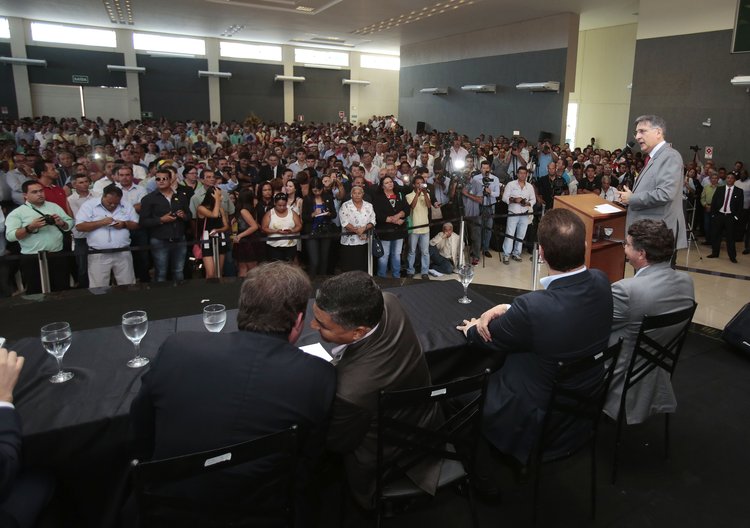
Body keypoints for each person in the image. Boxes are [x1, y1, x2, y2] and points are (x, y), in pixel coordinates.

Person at [131, 262, 336, 525]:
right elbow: (311, 459)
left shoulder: (177, 348)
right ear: (298, 321)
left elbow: (141, 430)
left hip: (169, 510)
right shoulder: (318, 376)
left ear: (242, 309)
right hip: (264, 513)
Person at [457, 209, 613, 462]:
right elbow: (559, 314)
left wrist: (472, 328)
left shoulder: (533, 308)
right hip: (583, 405)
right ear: (585, 246)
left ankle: (477, 471)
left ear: (541, 253)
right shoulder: (602, 281)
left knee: (457, 392)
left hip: (535, 414)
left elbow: (487, 337)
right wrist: (507, 308)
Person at [311, 271, 441, 509]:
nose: (312, 325)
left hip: (389, 460)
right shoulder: (389, 302)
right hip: (427, 421)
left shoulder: (350, 392)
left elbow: (337, 444)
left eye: (322, 325)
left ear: (358, 332)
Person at [603, 219, 695, 424]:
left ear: (641, 253)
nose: (624, 248)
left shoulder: (626, 290)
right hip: (656, 363)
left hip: (620, 369)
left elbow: (598, 326)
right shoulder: (686, 282)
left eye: (627, 244)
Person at [618, 115, 687, 252]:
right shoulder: (653, 157)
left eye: (642, 131)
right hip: (647, 234)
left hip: (658, 236)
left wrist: (632, 198)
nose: (637, 137)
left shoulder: (670, 156)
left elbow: (665, 194)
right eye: (636, 132)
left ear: (658, 132)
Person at [4, 180, 74, 294]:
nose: (40, 194)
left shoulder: (54, 206)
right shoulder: (17, 213)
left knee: (62, 289)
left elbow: (70, 223)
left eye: (41, 191)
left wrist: (61, 223)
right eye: (34, 192)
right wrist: (30, 228)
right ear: (25, 195)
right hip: (33, 258)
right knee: (36, 292)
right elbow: (10, 236)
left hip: (57, 255)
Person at [74, 184, 139, 288]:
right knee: (98, 286)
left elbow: (136, 224)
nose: (112, 205)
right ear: (103, 196)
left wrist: (124, 224)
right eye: (109, 203)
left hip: (122, 252)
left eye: (116, 203)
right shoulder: (89, 205)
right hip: (98, 253)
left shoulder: (126, 205)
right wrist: (101, 223)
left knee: (128, 284)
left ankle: (127, 299)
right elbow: (79, 226)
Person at [139, 168, 192, 282]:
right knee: (161, 272)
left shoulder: (181, 196)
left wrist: (183, 216)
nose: (161, 181)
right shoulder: (148, 199)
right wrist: (161, 219)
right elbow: (143, 222)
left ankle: (181, 292)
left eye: (164, 178)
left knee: (178, 271)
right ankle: (161, 293)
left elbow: (189, 215)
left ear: (170, 180)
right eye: (158, 179)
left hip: (179, 238)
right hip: (159, 239)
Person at [372, 175, 409, 278]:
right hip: (385, 231)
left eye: (391, 182)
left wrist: (399, 215)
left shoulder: (400, 194)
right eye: (387, 182)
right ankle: (382, 277)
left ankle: (396, 276)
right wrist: (392, 220)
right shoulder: (378, 197)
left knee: (396, 254)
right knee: (384, 255)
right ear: (382, 186)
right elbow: (377, 214)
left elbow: (407, 209)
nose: (390, 184)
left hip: (399, 231)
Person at [301, 178, 337, 278]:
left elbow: (334, 214)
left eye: (319, 190)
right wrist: (313, 214)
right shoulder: (307, 199)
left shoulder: (328, 197)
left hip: (326, 230)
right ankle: (312, 280)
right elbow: (304, 217)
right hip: (312, 230)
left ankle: (323, 280)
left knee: (324, 259)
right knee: (314, 260)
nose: (317, 193)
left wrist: (328, 213)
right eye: (315, 191)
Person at [501, 166, 535, 265]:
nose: (522, 175)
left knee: (521, 235)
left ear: (527, 174)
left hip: (524, 213)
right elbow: (504, 198)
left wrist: (528, 203)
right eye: (520, 173)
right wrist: (514, 200)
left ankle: (516, 253)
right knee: (510, 234)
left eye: (524, 173)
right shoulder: (511, 184)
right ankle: (506, 254)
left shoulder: (529, 186)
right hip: (513, 213)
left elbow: (533, 199)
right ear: (517, 174)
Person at [338, 185, 376, 272]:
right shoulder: (345, 205)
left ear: (363, 194)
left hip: (365, 241)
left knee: (362, 267)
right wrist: (358, 231)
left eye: (359, 193)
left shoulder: (369, 205)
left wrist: (364, 228)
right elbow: (344, 222)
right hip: (349, 242)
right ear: (351, 194)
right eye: (354, 193)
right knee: (349, 267)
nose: (357, 195)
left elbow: (373, 221)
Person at [708, 172, 744, 263]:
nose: (729, 179)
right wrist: (713, 214)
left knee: (730, 237)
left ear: (734, 180)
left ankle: (732, 256)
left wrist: (736, 217)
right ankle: (715, 253)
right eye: (728, 177)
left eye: (731, 178)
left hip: (730, 217)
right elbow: (714, 201)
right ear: (726, 179)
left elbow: (740, 206)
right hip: (719, 215)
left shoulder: (739, 191)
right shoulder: (720, 189)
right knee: (716, 235)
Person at [196, 185, 230, 278]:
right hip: (207, 240)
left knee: (219, 271)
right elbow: (214, 215)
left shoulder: (221, 209)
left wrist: (218, 230)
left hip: (220, 238)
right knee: (211, 273)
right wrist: (217, 200)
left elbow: (226, 226)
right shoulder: (201, 208)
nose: (221, 197)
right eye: (219, 195)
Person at [405, 173, 434, 279]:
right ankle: (410, 271)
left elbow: (429, 206)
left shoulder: (427, 194)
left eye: (422, 183)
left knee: (425, 252)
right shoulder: (408, 196)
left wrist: (425, 194)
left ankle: (424, 272)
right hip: (414, 228)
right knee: (412, 251)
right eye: (417, 183)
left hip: (425, 228)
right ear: (413, 185)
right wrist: (417, 194)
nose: (420, 185)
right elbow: (412, 207)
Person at [262, 192, 301, 262]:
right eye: (279, 205)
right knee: (276, 266)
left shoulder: (292, 213)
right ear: (275, 203)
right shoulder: (270, 213)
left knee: (289, 266)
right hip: (274, 246)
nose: (282, 207)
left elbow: (299, 225)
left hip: (290, 246)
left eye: (284, 205)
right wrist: (276, 231)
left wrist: (292, 230)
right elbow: (264, 228)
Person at [232, 189, 262, 277]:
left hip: (247, 241)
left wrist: (239, 236)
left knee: (248, 268)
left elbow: (254, 226)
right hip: (248, 240)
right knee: (246, 267)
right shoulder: (251, 209)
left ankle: (249, 285)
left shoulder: (244, 211)